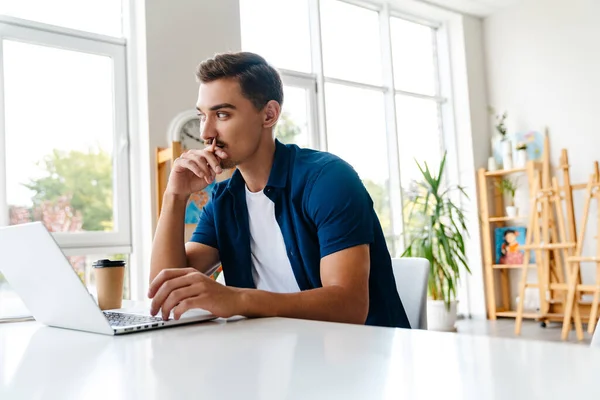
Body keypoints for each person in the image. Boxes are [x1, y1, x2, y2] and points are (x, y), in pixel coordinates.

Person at [148, 51, 410, 328]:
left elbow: (350, 306)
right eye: (202, 116)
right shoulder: (224, 200)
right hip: (273, 354)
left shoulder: (329, 180)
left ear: (269, 115)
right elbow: (164, 290)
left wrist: (236, 299)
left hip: (358, 358)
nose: (206, 133)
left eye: (222, 114)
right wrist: (175, 196)